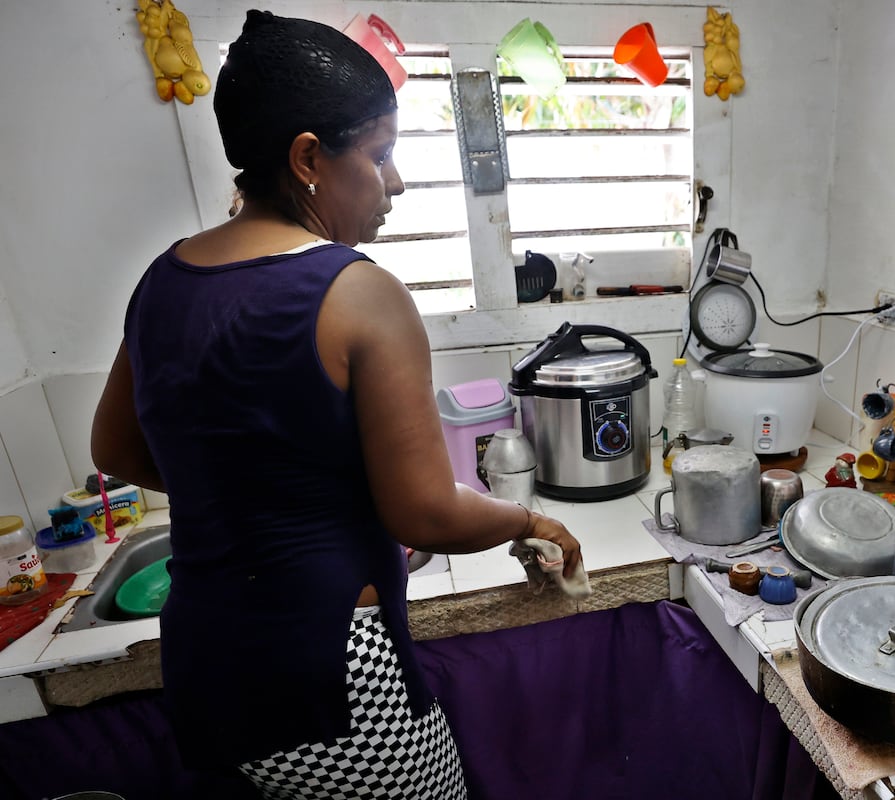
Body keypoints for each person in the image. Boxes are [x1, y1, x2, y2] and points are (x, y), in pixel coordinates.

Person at [90, 10, 581, 799]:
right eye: (381, 155)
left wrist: (258, 493)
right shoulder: (359, 293)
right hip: (331, 674)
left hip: (205, 662)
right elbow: (424, 515)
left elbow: (116, 450)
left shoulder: (163, 280)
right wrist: (530, 520)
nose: (395, 181)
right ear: (309, 158)